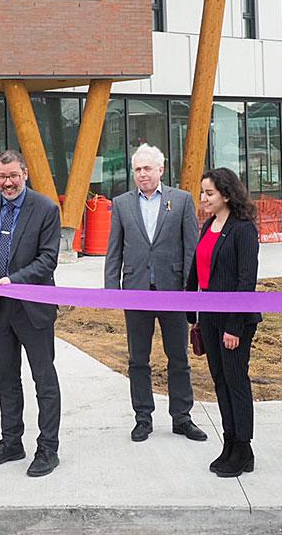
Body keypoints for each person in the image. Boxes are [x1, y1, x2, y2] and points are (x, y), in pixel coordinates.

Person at [0, 150, 62, 478]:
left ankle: (48, 448)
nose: (7, 183)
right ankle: (11, 441)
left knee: (44, 380)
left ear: (25, 174)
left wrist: (14, 280)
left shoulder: (46, 208)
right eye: (1, 177)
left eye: (13, 177)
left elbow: (48, 259)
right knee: (5, 380)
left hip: (33, 309)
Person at [104, 144, 206, 443]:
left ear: (161, 170)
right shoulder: (122, 204)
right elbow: (114, 251)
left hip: (173, 291)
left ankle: (182, 417)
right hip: (136, 292)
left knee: (179, 357)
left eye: (147, 168)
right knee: (138, 359)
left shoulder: (182, 200)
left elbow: (192, 249)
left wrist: (191, 292)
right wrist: (112, 290)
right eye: (137, 169)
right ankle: (142, 418)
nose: (142, 174)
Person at [186, 167, 260, 478]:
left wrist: (234, 326)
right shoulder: (208, 226)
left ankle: (243, 447)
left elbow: (246, 281)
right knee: (220, 381)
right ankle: (230, 443)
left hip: (234, 322)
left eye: (209, 193)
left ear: (226, 195)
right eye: (202, 193)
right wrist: (193, 312)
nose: (203, 198)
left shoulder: (243, 229)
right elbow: (198, 271)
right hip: (209, 317)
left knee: (236, 381)